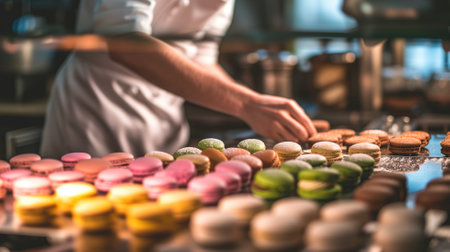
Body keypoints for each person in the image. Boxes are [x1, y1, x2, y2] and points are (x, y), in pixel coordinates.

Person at [41, 0, 316, 158]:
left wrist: (257, 105)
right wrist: (245, 104)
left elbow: (201, 61)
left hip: (164, 124)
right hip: (97, 114)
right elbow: (124, 43)